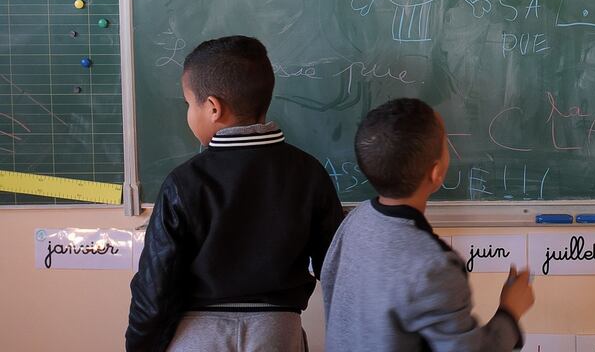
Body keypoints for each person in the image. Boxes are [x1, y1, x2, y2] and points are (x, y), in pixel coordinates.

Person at [126, 36, 344, 352]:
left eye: (189, 103)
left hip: (197, 335)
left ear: (213, 108)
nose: (187, 113)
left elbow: (155, 285)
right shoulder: (309, 173)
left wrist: (140, 346)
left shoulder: (184, 182)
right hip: (278, 332)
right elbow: (337, 269)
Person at [322, 97, 534, 351]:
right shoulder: (432, 267)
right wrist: (510, 312)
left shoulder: (354, 222)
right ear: (436, 173)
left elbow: (330, 287)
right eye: (446, 144)